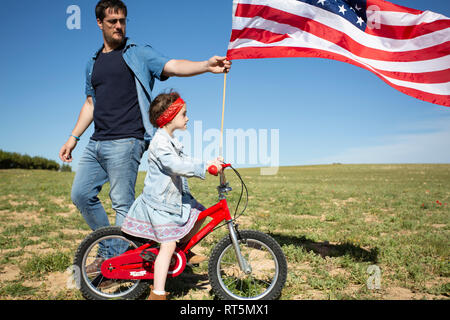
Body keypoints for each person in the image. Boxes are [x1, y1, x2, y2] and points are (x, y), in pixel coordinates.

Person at [58, 0, 231, 263]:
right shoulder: (92, 64)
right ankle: (113, 250)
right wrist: (73, 137)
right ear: (99, 23)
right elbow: (90, 104)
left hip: (127, 140)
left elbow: (172, 65)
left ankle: (117, 262)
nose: (119, 26)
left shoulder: (137, 53)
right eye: (112, 21)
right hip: (96, 142)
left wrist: (206, 66)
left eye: (122, 21)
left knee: (121, 203)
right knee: (80, 195)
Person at [121, 92, 223, 300]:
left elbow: (186, 159)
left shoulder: (171, 140)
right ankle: (157, 293)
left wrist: (210, 162)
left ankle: (184, 249)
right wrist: (205, 167)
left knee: (201, 214)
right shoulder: (160, 142)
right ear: (169, 116)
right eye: (184, 114)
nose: (187, 118)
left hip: (174, 199)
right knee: (167, 245)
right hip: (160, 204)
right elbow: (175, 165)